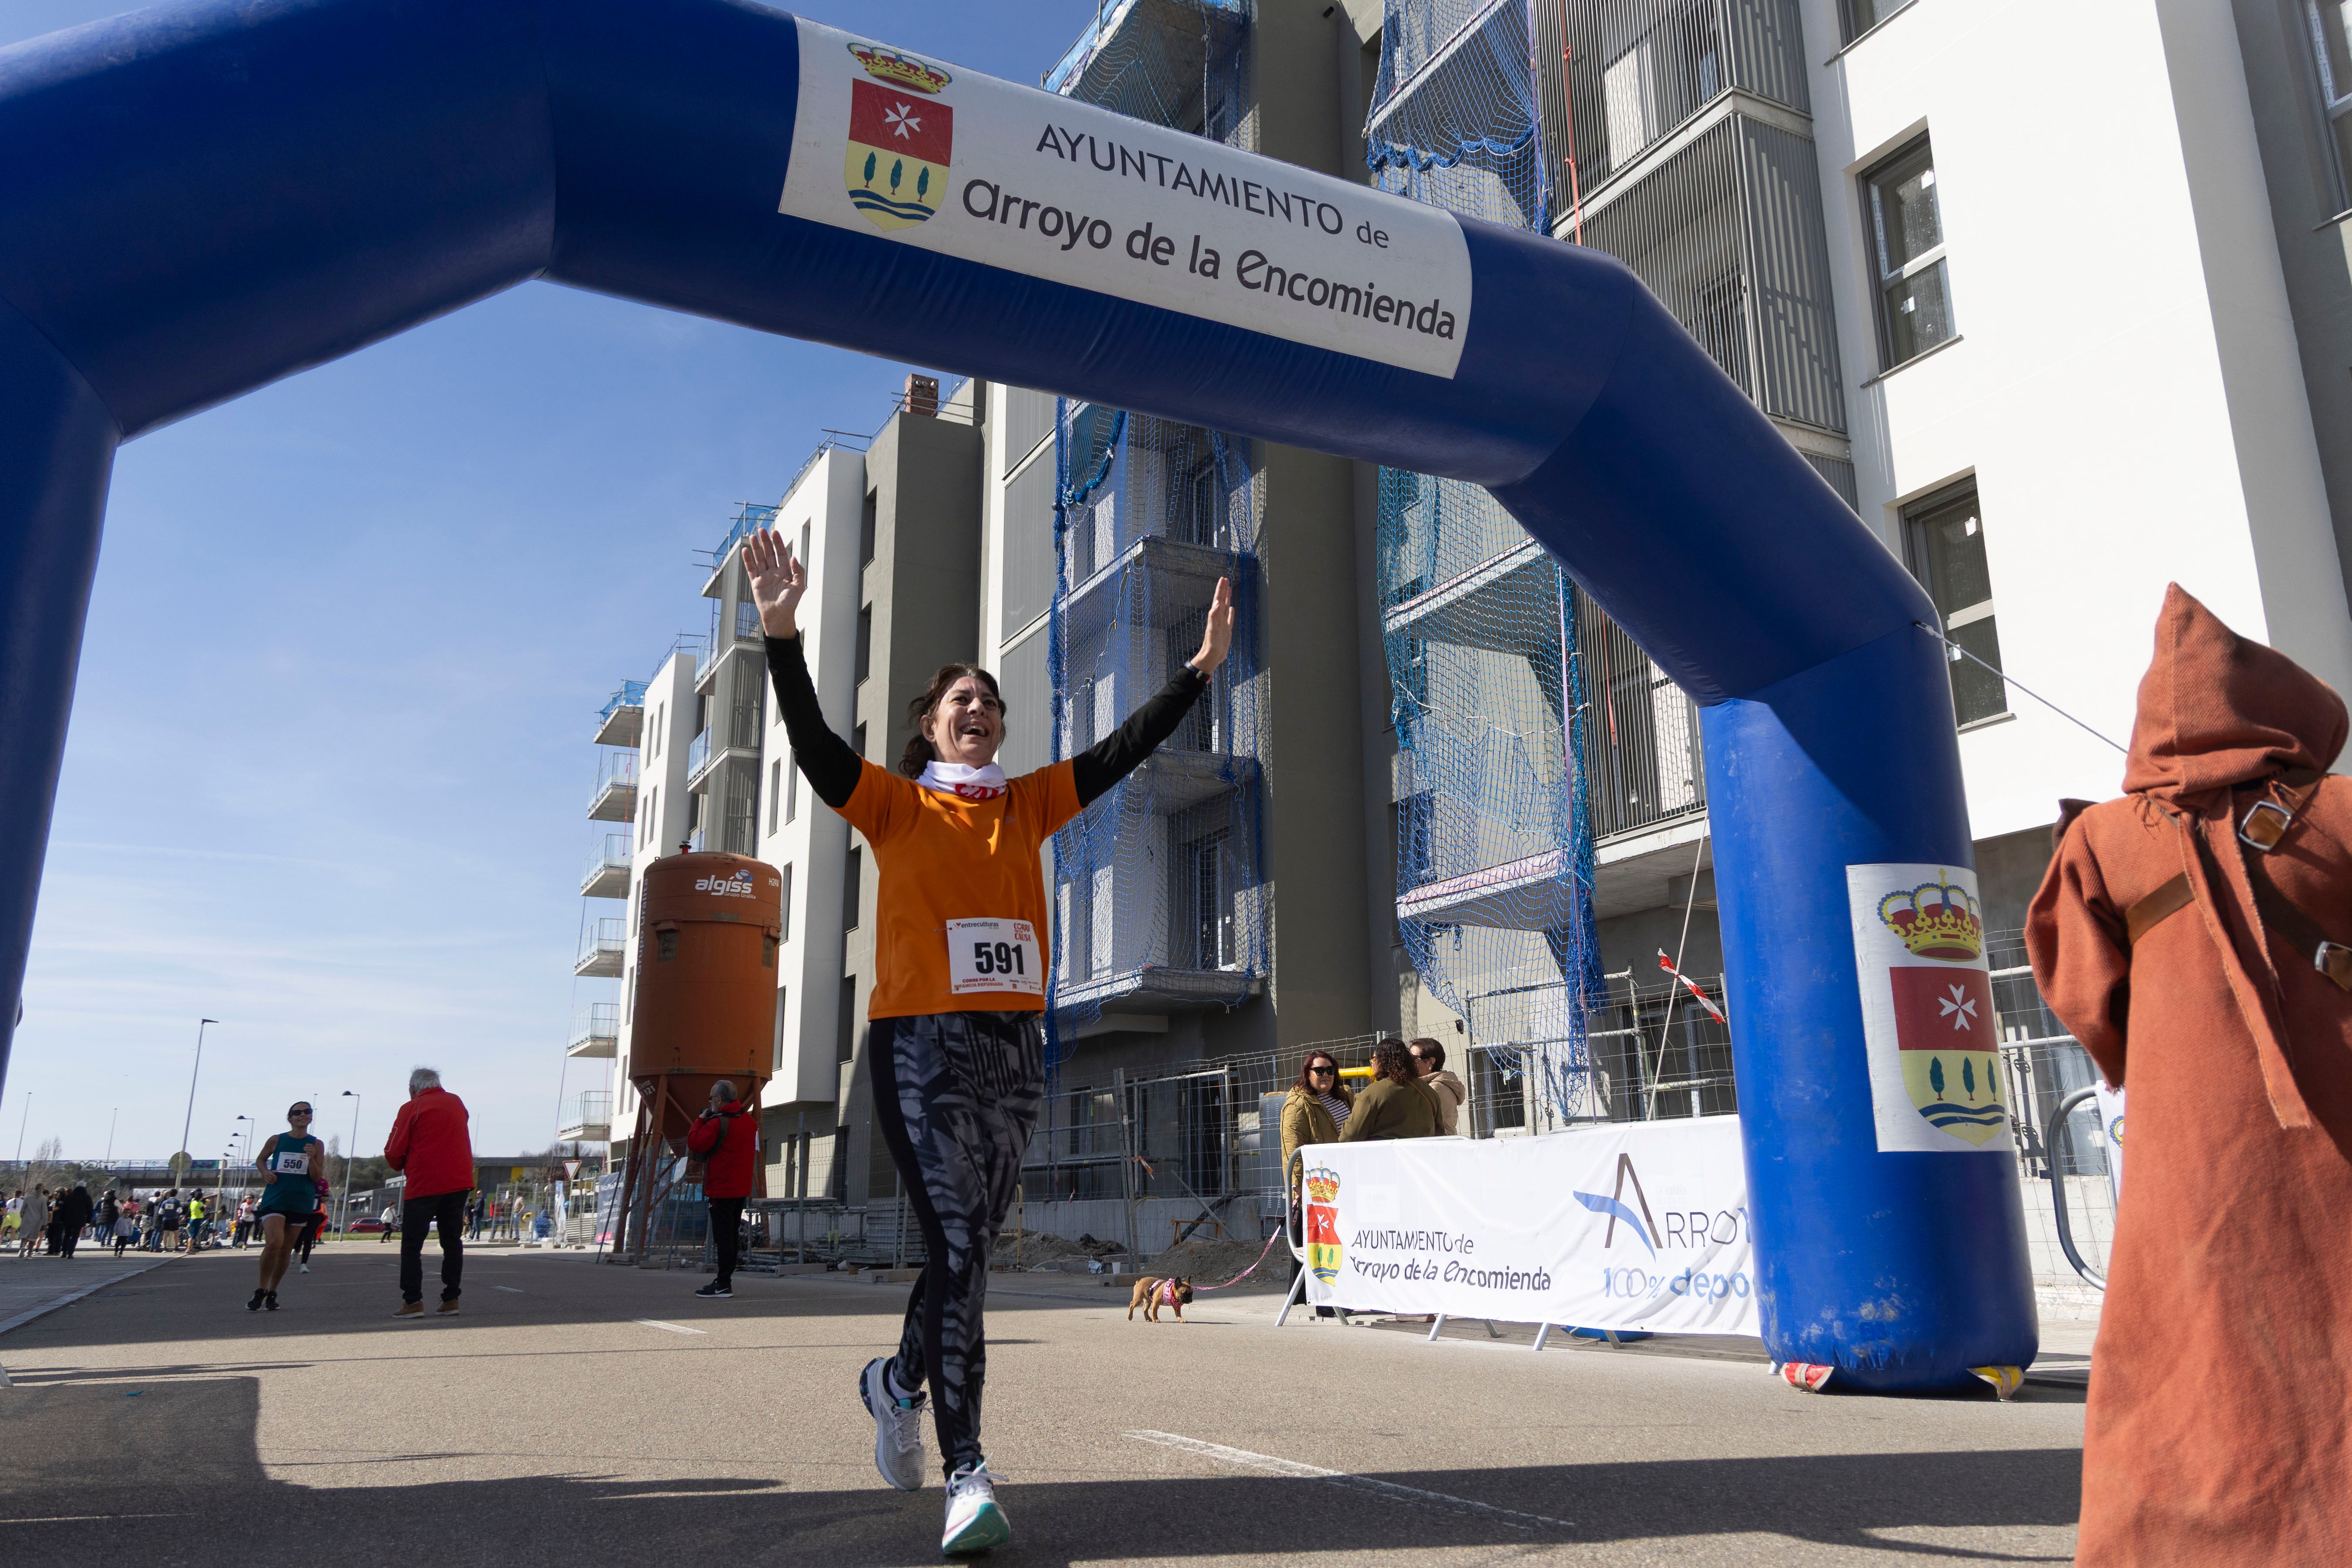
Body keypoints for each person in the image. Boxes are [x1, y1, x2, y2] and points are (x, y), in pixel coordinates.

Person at [747, 524, 1231, 1555]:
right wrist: (782, 634)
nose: (979, 710)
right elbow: (815, 746)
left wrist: (1197, 674)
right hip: (919, 1043)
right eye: (959, 700)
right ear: (929, 723)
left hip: (1015, 1051)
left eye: (991, 701)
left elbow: (1121, 750)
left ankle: (895, 1380)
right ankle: (967, 1471)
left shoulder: (1028, 803)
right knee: (960, 1245)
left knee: (964, 1255)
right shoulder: (896, 804)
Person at [2027, 586, 2352, 1565]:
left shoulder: (2099, 839)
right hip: (2338, 1138)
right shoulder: (2339, 811)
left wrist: (2163, 1065)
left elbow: (2080, 991)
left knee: (2185, 1366)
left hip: (2190, 1162)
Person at [384, 1066, 473, 1318]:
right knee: (452, 1242)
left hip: (425, 1184)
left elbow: (393, 1150)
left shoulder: (411, 1108)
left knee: (412, 1245)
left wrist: (401, 1165)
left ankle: (413, 1302)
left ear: (413, 1089)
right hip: (459, 1181)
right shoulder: (457, 1102)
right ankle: (451, 1298)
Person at [687, 1078, 759, 1299]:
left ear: (719, 1099)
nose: (710, 1103)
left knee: (723, 1238)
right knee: (732, 1236)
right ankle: (725, 1280)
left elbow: (695, 1142)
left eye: (711, 1098)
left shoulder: (718, 1123)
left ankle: (723, 1283)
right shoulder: (749, 1121)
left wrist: (700, 1121)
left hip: (721, 1189)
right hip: (741, 1189)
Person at [248, 1104, 325, 1311]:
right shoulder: (277, 1140)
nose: (303, 1115)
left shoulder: (316, 1144)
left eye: (307, 1112)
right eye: (297, 1113)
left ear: (311, 1117)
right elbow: (261, 1159)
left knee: (285, 1250)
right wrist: (265, 1173)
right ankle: (261, 1289)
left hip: (300, 1201)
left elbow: (317, 1177)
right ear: (289, 1118)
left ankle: (273, 1291)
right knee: (274, 1242)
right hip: (276, 1199)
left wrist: (311, 1159)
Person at [1338, 1040, 1442, 1142]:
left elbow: (1349, 1136)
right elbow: (1440, 1134)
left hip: (1383, 1157)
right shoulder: (1429, 1091)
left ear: (1381, 1062)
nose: (1372, 1065)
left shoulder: (1372, 1094)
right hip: (1422, 1156)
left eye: (1373, 1060)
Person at [1407, 1038, 1468, 1136]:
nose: (1409, 1062)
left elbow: (1419, 1122)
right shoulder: (1430, 1084)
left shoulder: (1436, 1088)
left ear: (1430, 1062)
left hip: (1439, 1145)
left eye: (1414, 1058)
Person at [54, 1183, 92, 1259]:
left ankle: (64, 1252)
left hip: (68, 1219)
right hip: (80, 1220)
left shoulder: (70, 1196)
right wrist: (89, 1220)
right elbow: (90, 1209)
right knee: (75, 1236)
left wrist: (62, 1219)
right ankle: (70, 1253)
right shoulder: (87, 1197)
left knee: (67, 1235)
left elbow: (64, 1209)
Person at [18, 1186, 48, 1259]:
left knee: (25, 1235)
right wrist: (45, 1222)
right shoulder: (43, 1199)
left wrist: (23, 1217)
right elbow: (44, 1211)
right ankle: (29, 1254)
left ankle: (23, 1247)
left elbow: (22, 1209)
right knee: (33, 1237)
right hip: (37, 1220)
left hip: (27, 1218)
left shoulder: (28, 1197)